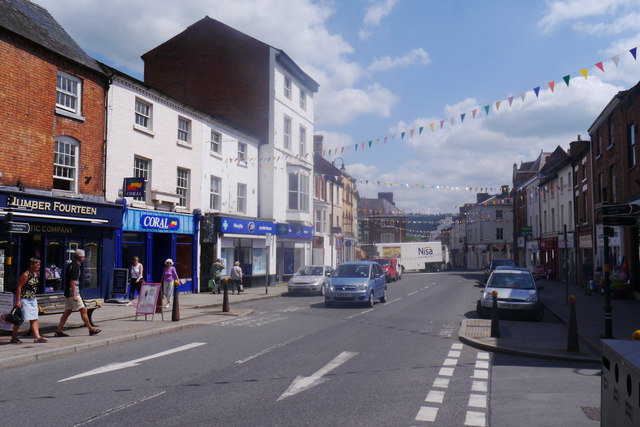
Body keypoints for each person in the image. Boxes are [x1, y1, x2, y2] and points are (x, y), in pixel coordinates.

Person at [55, 249, 101, 337]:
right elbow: (72, 281)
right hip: (73, 292)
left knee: (67, 312)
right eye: (83, 257)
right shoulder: (75, 267)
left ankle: (58, 330)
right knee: (83, 309)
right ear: (80, 258)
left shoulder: (71, 265)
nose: (84, 258)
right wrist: (75, 294)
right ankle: (91, 329)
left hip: (69, 292)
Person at [10, 258, 47, 344]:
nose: (39, 266)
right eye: (37, 265)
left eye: (39, 265)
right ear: (31, 265)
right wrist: (18, 300)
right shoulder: (25, 275)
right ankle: (13, 337)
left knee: (34, 318)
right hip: (25, 299)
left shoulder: (36, 274)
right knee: (19, 319)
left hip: (32, 299)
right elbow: (19, 288)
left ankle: (37, 337)